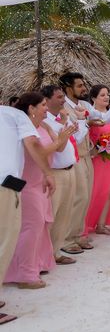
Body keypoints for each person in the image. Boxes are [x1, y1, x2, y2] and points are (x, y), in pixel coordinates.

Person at [5, 93, 74, 289]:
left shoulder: (44, 126)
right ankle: (24, 274)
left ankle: (37, 264)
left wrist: (62, 138)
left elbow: (58, 149)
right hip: (28, 184)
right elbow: (39, 152)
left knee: (42, 226)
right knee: (30, 228)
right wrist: (59, 140)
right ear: (31, 108)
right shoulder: (22, 127)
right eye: (43, 105)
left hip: (41, 181)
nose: (46, 108)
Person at [0, 104, 56, 324]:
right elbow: (32, 143)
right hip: (5, 185)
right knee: (5, 243)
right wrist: (47, 173)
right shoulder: (14, 114)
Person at [42, 85, 80, 266]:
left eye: (63, 96)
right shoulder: (46, 121)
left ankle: (55, 252)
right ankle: (44, 255)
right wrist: (64, 126)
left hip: (69, 170)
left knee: (65, 214)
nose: (63, 100)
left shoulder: (60, 119)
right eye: (59, 97)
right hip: (56, 173)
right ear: (47, 100)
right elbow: (59, 146)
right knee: (52, 215)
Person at [59, 72, 95, 254]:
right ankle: (66, 239)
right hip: (75, 156)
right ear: (68, 87)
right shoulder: (63, 107)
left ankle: (79, 234)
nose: (84, 89)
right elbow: (73, 134)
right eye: (80, 85)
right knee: (78, 197)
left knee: (86, 196)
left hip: (87, 154)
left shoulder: (81, 105)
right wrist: (84, 121)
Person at [83, 85, 110, 237]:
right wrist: (99, 147)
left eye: (107, 94)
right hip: (96, 159)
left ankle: (102, 224)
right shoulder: (92, 117)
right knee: (96, 192)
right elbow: (88, 140)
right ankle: (85, 224)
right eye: (102, 95)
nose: (106, 97)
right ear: (93, 98)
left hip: (108, 158)